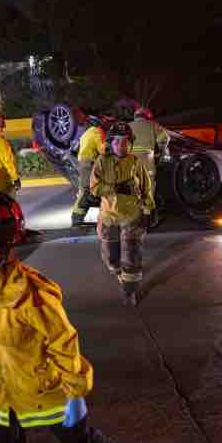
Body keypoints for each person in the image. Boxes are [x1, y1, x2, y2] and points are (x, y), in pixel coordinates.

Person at [0, 190, 140, 443]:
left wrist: (75, 393)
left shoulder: (32, 295)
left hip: (44, 389)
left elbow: (63, 343)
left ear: (5, 253)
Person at [90, 121, 155, 306]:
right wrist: (115, 188)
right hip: (109, 217)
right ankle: (119, 272)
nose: (121, 145)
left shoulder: (136, 162)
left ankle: (129, 290)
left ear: (130, 143)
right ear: (110, 143)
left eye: (126, 141)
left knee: (132, 256)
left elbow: (146, 188)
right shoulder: (102, 162)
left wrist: (149, 210)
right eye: (117, 141)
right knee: (111, 258)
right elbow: (94, 188)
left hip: (132, 216)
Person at [128, 106, 168, 224]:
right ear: (147, 116)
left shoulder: (128, 126)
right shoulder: (153, 125)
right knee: (148, 188)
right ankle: (146, 218)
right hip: (147, 161)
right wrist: (161, 153)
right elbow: (164, 139)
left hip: (130, 161)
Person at [71, 112, 106, 227]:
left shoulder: (85, 134)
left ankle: (78, 216)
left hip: (82, 163)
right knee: (86, 190)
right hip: (89, 163)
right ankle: (76, 217)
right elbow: (102, 149)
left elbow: (75, 150)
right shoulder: (97, 131)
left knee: (85, 190)